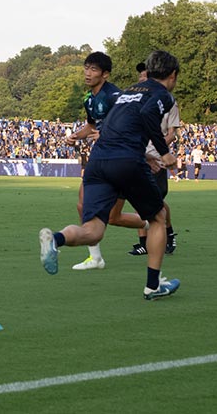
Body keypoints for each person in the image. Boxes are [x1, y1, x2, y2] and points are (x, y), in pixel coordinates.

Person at [39, 50, 182, 300]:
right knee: (158, 217)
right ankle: (153, 286)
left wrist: (147, 156)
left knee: (93, 229)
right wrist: (164, 153)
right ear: (173, 75)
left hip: (98, 161)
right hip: (126, 160)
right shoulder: (163, 94)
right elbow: (147, 115)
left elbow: (113, 128)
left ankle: (56, 240)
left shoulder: (127, 93)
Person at [64, 52, 139, 271]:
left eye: (94, 69)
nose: (88, 73)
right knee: (85, 204)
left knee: (113, 215)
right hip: (102, 156)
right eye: (86, 68)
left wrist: (107, 134)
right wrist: (76, 136)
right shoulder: (89, 98)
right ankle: (95, 257)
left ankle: (155, 224)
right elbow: (92, 125)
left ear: (105, 74)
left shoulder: (115, 96)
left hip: (120, 156)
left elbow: (130, 123)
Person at [128, 62, 181, 256]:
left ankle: (168, 232)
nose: (142, 79)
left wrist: (159, 148)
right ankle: (144, 242)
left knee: (155, 201)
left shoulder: (168, 102)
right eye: (140, 77)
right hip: (138, 155)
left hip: (157, 159)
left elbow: (172, 133)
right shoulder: (136, 100)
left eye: (145, 76)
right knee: (139, 200)